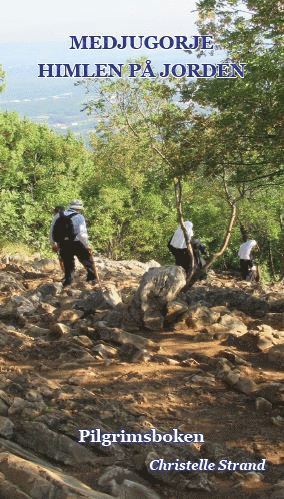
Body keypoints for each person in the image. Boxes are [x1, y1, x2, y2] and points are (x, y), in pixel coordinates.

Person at [50, 200, 96, 287]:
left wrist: (53, 244)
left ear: (70, 206)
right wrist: (87, 246)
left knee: (68, 263)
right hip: (76, 242)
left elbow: (52, 231)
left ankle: (68, 282)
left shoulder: (58, 215)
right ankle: (92, 278)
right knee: (86, 260)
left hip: (63, 243)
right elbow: (82, 234)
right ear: (79, 209)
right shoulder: (79, 217)